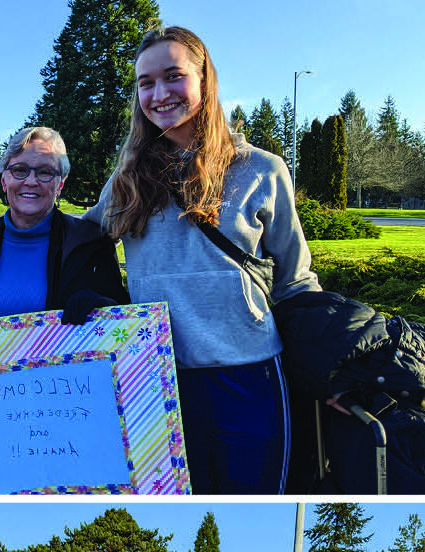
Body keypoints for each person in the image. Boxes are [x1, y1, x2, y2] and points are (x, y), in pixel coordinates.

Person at [88, 27, 313, 495]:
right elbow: (77, 238)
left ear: (205, 80)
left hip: (248, 376)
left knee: (253, 499)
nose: (159, 93)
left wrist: (324, 366)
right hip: (157, 380)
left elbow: (296, 280)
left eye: (173, 75)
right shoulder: (127, 178)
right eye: (145, 83)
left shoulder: (261, 169)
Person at [0, 127, 128, 324]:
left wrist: (105, 307)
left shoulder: (92, 243)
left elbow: (122, 320)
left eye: (45, 172)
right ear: (4, 181)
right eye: (19, 170)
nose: (31, 181)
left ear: (60, 184)